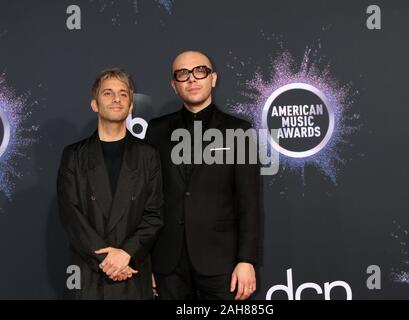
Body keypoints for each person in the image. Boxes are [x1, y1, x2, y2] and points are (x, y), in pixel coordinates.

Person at [145, 51, 260, 300]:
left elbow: (249, 201)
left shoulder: (238, 130)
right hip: (168, 262)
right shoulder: (155, 131)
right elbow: (148, 200)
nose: (192, 79)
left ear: (213, 78)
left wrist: (246, 260)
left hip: (221, 261)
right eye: (182, 74)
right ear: (173, 85)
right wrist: (146, 262)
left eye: (200, 71)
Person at [57, 68, 163, 299]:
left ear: (131, 105)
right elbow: (71, 215)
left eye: (123, 94)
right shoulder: (74, 156)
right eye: (108, 93)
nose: (117, 99)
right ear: (94, 104)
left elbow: (154, 215)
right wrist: (106, 259)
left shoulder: (149, 155)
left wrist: (126, 253)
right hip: (89, 274)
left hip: (132, 271)